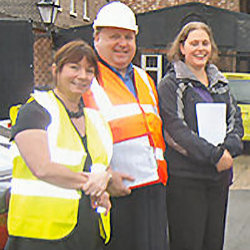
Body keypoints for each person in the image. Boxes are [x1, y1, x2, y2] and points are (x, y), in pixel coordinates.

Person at [5, 40, 113, 250]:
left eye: (89, 71)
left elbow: (102, 166)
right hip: (41, 234)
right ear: (56, 70)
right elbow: (42, 168)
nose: (82, 76)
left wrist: (105, 180)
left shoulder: (96, 119)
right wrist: (91, 182)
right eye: (74, 67)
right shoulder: (35, 110)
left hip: (87, 229)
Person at [82, 2, 169, 250]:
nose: (123, 43)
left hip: (153, 187)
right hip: (114, 193)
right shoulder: (86, 79)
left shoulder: (143, 77)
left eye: (128, 37)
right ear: (97, 38)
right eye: (114, 36)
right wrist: (104, 177)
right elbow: (78, 138)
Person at [158, 21, 244, 250]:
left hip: (218, 179)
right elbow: (175, 129)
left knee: (213, 242)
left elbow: (235, 121)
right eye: (194, 43)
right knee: (188, 243)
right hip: (186, 180)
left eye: (205, 43)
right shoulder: (171, 84)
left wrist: (229, 149)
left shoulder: (220, 82)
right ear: (182, 47)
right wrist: (214, 155)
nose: (200, 48)